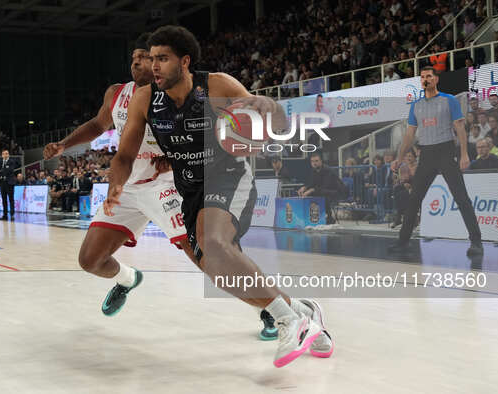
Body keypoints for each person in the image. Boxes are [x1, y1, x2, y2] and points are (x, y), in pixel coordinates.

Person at [103, 25, 333, 367]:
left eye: (162, 59)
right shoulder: (146, 98)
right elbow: (124, 156)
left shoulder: (216, 85)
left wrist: (270, 106)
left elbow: (271, 120)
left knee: (213, 244)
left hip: (229, 176)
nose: (154, 66)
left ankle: (289, 321)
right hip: (191, 190)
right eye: (151, 59)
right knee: (220, 270)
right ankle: (303, 310)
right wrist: (116, 184)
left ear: (185, 62)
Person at [43, 33, 280, 342]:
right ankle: (128, 279)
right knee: (90, 260)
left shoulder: (180, 93)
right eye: (137, 58)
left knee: (212, 259)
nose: (141, 63)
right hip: (128, 188)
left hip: (165, 187)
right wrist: (63, 145)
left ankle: (269, 308)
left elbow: (199, 135)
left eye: (149, 57)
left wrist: (173, 158)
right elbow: (97, 125)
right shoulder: (118, 94)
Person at [389, 66, 483, 255]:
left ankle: (476, 242)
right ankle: (403, 240)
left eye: (429, 76)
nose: (426, 79)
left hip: (446, 151)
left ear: (436, 79)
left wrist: (464, 154)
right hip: (426, 154)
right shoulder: (416, 105)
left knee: (461, 197)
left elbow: (460, 128)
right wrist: (399, 158)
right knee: (414, 198)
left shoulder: (449, 100)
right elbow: (409, 135)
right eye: (423, 77)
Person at [297, 152, 346, 224]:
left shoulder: (328, 171)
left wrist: (311, 190)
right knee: (310, 195)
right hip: (323, 191)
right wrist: (304, 188)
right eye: (312, 161)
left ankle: (329, 218)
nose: (314, 163)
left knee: (322, 196)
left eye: (316, 161)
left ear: (321, 161)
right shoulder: (314, 171)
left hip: (335, 192)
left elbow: (325, 187)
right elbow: (312, 184)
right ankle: (311, 217)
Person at [0, 149, 17, 221]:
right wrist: (1, 173)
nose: (5, 155)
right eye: (4, 154)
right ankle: (5, 215)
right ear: (2, 155)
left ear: (8, 155)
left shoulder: (11, 161)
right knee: (4, 199)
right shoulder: (0, 162)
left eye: (7, 153)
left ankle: (12, 214)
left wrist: (3, 170)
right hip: (2, 183)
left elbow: (10, 170)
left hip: (9, 182)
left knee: (11, 199)